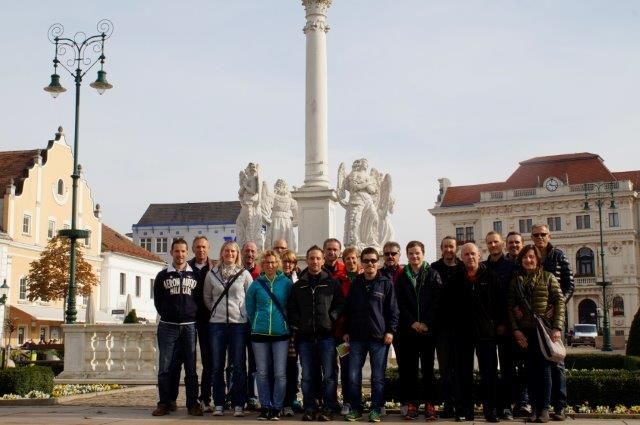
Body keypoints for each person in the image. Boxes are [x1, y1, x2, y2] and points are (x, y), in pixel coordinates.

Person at [508, 244, 565, 423]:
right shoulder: (515, 280)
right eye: (525, 257)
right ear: (521, 260)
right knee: (530, 372)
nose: (528, 260)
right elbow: (509, 307)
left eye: (532, 257)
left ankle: (544, 408)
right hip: (526, 333)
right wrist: (516, 331)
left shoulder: (548, 277)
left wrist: (557, 327)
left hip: (544, 332)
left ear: (538, 259)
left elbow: (560, 302)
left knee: (546, 371)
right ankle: (534, 408)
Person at [288, 245, 345, 421]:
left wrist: (331, 318)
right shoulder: (299, 285)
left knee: (329, 375)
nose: (315, 261)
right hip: (305, 338)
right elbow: (292, 309)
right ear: (307, 260)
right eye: (311, 258)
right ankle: (310, 407)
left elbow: (340, 305)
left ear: (322, 260)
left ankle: (328, 407)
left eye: (318, 258)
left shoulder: (331, 282)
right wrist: (300, 323)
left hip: (326, 337)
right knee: (307, 376)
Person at [343, 247, 399, 423]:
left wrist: (390, 331)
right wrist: (346, 331)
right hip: (357, 337)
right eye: (366, 260)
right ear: (362, 262)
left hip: (379, 338)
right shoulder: (356, 283)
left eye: (373, 260)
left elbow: (393, 310)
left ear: (378, 262)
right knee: (353, 376)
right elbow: (348, 310)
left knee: (378, 377)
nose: (370, 264)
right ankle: (356, 409)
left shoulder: (386, 283)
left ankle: (375, 409)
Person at [152, 238, 203, 417]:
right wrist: (168, 313)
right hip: (168, 327)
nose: (180, 254)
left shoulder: (196, 275)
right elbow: (157, 300)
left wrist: (191, 314)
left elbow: (199, 299)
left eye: (183, 251)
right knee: (165, 367)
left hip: (189, 327)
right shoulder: (163, 275)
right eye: (177, 251)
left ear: (187, 253)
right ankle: (164, 403)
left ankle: (192, 404)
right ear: (171, 253)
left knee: (191, 368)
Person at [203, 240, 253, 417]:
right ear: (221, 253)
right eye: (226, 251)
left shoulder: (244, 274)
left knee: (238, 365)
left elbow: (250, 297)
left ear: (237, 254)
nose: (229, 254)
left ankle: (239, 403)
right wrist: (217, 312)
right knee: (217, 365)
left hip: (238, 325)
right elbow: (207, 298)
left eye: (233, 251)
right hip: (217, 325)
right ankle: (219, 403)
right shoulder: (212, 274)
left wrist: (242, 313)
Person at [531, 224, 574, 421]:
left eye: (543, 234)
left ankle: (560, 406)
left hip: (554, 317)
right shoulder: (531, 255)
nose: (539, 237)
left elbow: (569, 287)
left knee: (557, 362)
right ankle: (541, 406)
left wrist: (557, 307)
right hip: (536, 318)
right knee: (539, 365)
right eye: (536, 235)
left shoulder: (559, 255)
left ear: (549, 235)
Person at [395, 241, 442, 421]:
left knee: (428, 370)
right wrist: (412, 322)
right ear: (407, 255)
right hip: (409, 331)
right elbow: (399, 303)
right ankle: (412, 404)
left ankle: (430, 404)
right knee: (410, 370)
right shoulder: (402, 276)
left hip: (428, 332)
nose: (414, 256)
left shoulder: (432, 274)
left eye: (417, 253)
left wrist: (426, 323)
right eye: (411, 253)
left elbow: (437, 302)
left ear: (423, 254)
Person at [455, 243, 500, 423]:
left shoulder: (490, 276)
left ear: (479, 256)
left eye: (473, 254)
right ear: (462, 257)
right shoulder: (456, 278)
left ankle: (491, 411)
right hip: (463, 333)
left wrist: (497, 324)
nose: (470, 257)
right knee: (463, 373)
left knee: (488, 373)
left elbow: (499, 303)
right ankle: (466, 410)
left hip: (486, 333)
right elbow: (449, 306)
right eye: (466, 254)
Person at [246, 250, 293, 420]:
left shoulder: (286, 283)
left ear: (278, 263)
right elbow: (249, 308)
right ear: (262, 264)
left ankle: (277, 406)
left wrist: (286, 324)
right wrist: (257, 322)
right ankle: (265, 406)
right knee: (262, 372)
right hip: (259, 333)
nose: (270, 265)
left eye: (273, 262)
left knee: (280, 373)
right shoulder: (256, 284)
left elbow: (291, 306)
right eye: (267, 263)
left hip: (281, 334)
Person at [483, 231, 518, 421]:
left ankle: (507, 406)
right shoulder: (483, 267)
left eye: (496, 242)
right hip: (487, 327)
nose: (493, 245)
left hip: (506, 325)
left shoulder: (512, 266)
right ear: (486, 245)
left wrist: (504, 323)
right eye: (490, 242)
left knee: (507, 369)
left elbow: (512, 298)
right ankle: (492, 406)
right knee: (488, 369)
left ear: (502, 243)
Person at [430, 236, 465, 419]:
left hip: (461, 327)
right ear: (442, 248)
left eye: (451, 247)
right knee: (445, 368)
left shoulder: (463, 267)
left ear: (456, 248)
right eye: (446, 247)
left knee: (460, 368)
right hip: (441, 327)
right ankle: (448, 404)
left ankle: (461, 405)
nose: (449, 250)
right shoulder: (434, 268)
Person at [187, 236, 216, 413]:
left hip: (208, 320)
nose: (201, 250)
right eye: (198, 247)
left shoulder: (214, 267)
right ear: (193, 248)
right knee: (187, 361)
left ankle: (205, 398)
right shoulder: (187, 268)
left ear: (209, 248)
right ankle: (185, 400)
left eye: (204, 247)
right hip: (188, 319)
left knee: (208, 361)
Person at [505, 231, 530, 416]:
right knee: (509, 366)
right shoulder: (504, 266)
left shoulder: (528, 264)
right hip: (508, 323)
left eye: (517, 242)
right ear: (506, 245)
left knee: (526, 366)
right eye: (511, 242)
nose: (514, 245)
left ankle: (525, 402)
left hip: (527, 324)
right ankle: (511, 402)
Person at [280, 249, 303, 417]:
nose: (287, 264)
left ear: (295, 264)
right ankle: (284, 399)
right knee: (284, 365)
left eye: (291, 262)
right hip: (281, 328)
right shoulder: (277, 279)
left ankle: (293, 396)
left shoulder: (300, 280)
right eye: (285, 261)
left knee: (294, 364)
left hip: (298, 328)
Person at [242, 240, 260, 409]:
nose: (249, 254)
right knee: (236, 361)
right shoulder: (237, 272)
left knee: (255, 362)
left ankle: (253, 396)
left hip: (256, 324)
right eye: (247, 251)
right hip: (238, 323)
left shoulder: (261, 273)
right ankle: (236, 395)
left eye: (253, 251)